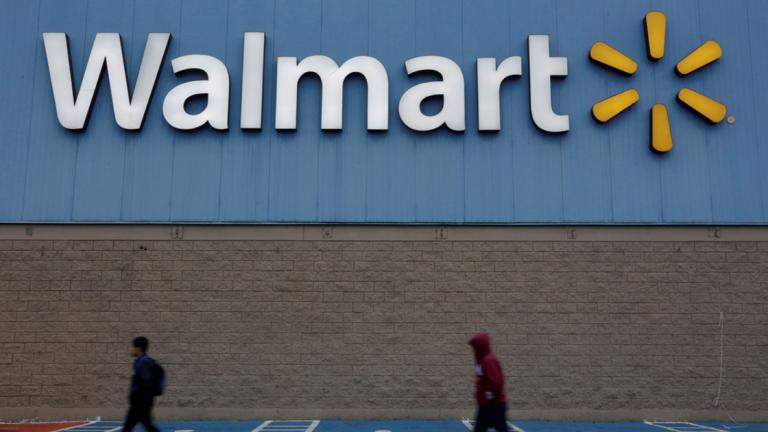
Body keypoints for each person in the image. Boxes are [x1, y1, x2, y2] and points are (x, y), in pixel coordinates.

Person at [469, 333, 508, 432]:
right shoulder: (483, 360)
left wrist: (488, 395)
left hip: (493, 405)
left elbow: (496, 381)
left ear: (480, 346)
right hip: (487, 405)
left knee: (501, 429)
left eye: (475, 347)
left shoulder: (488, 360)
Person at [124, 336, 161, 432]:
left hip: (140, 403)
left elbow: (146, 381)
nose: (131, 349)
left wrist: (134, 393)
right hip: (143, 402)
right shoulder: (142, 361)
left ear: (138, 348)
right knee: (147, 425)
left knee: (128, 427)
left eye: (132, 347)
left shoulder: (143, 362)